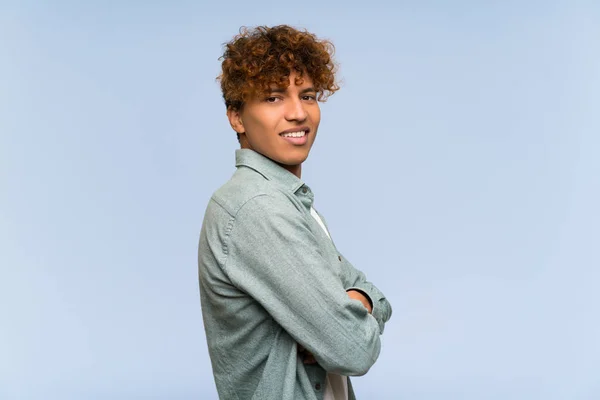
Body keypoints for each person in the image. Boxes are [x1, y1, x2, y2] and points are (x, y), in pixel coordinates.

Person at [198, 25, 392, 400]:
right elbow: (353, 349)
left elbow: (376, 297)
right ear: (236, 117)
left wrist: (359, 303)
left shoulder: (290, 202)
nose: (297, 113)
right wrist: (339, 321)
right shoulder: (258, 208)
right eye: (273, 98)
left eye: (307, 95)